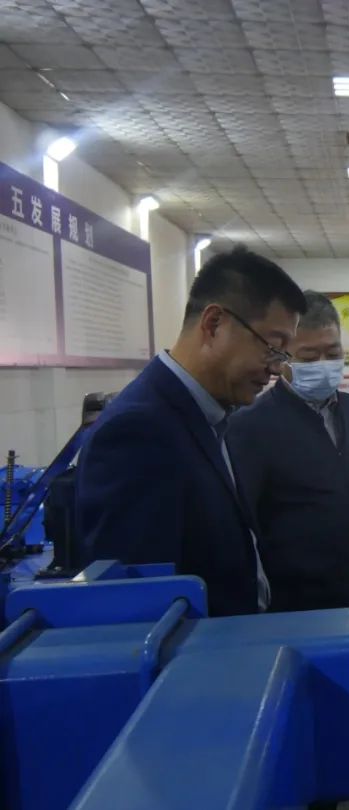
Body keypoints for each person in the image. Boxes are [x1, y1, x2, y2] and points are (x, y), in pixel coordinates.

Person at [76, 246, 306, 616]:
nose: (277, 369)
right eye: (272, 347)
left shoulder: (211, 416)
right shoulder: (139, 432)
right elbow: (142, 606)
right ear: (214, 325)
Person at [228, 291, 349, 613]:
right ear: (282, 358)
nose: (323, 365)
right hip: (295, 606)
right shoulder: (250, 426)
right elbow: (243, 528)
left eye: (333, 352)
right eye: (309, 356)